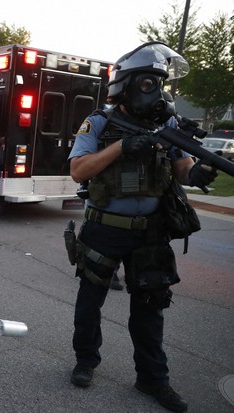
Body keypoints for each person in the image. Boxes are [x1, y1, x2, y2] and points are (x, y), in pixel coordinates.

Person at [68, 42, 217, 412]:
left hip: (151, 232)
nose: (157, 92)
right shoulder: (98, 122)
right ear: (127, 85)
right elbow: (78, 170)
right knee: (90, 302)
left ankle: (153, 380)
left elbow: (181, 167)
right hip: (104, 228)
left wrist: (197, 172)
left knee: (151, 310)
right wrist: (121, 147)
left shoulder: (166, 125)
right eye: (149, 83)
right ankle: (86, 361)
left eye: (160, 84)